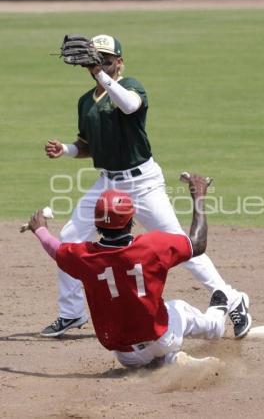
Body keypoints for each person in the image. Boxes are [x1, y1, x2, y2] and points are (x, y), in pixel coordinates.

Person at [43, 33, 251, 339]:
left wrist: (99, 73)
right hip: (107, 183)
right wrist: (66, 149)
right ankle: (72, 313)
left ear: (119, 63)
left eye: (105, 60)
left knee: (181, 244)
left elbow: (129, 106)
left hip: (143, 184)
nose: (100, 64)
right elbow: (88, 145)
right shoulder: (86, 101)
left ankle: (233, 299)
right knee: (70, 236)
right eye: (95, 59)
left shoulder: (131, 86)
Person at [28, 174, 237, 368]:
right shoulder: (152, 245)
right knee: (180, 308)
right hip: (164, 336)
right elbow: (198, 244)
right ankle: (216, 319)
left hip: (126, 356)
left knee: (143, 350)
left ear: (97, 221)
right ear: (130, 219)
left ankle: (169, 361)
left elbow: (57, 250)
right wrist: (199, 196)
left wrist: (40, 229)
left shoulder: (83, 257)